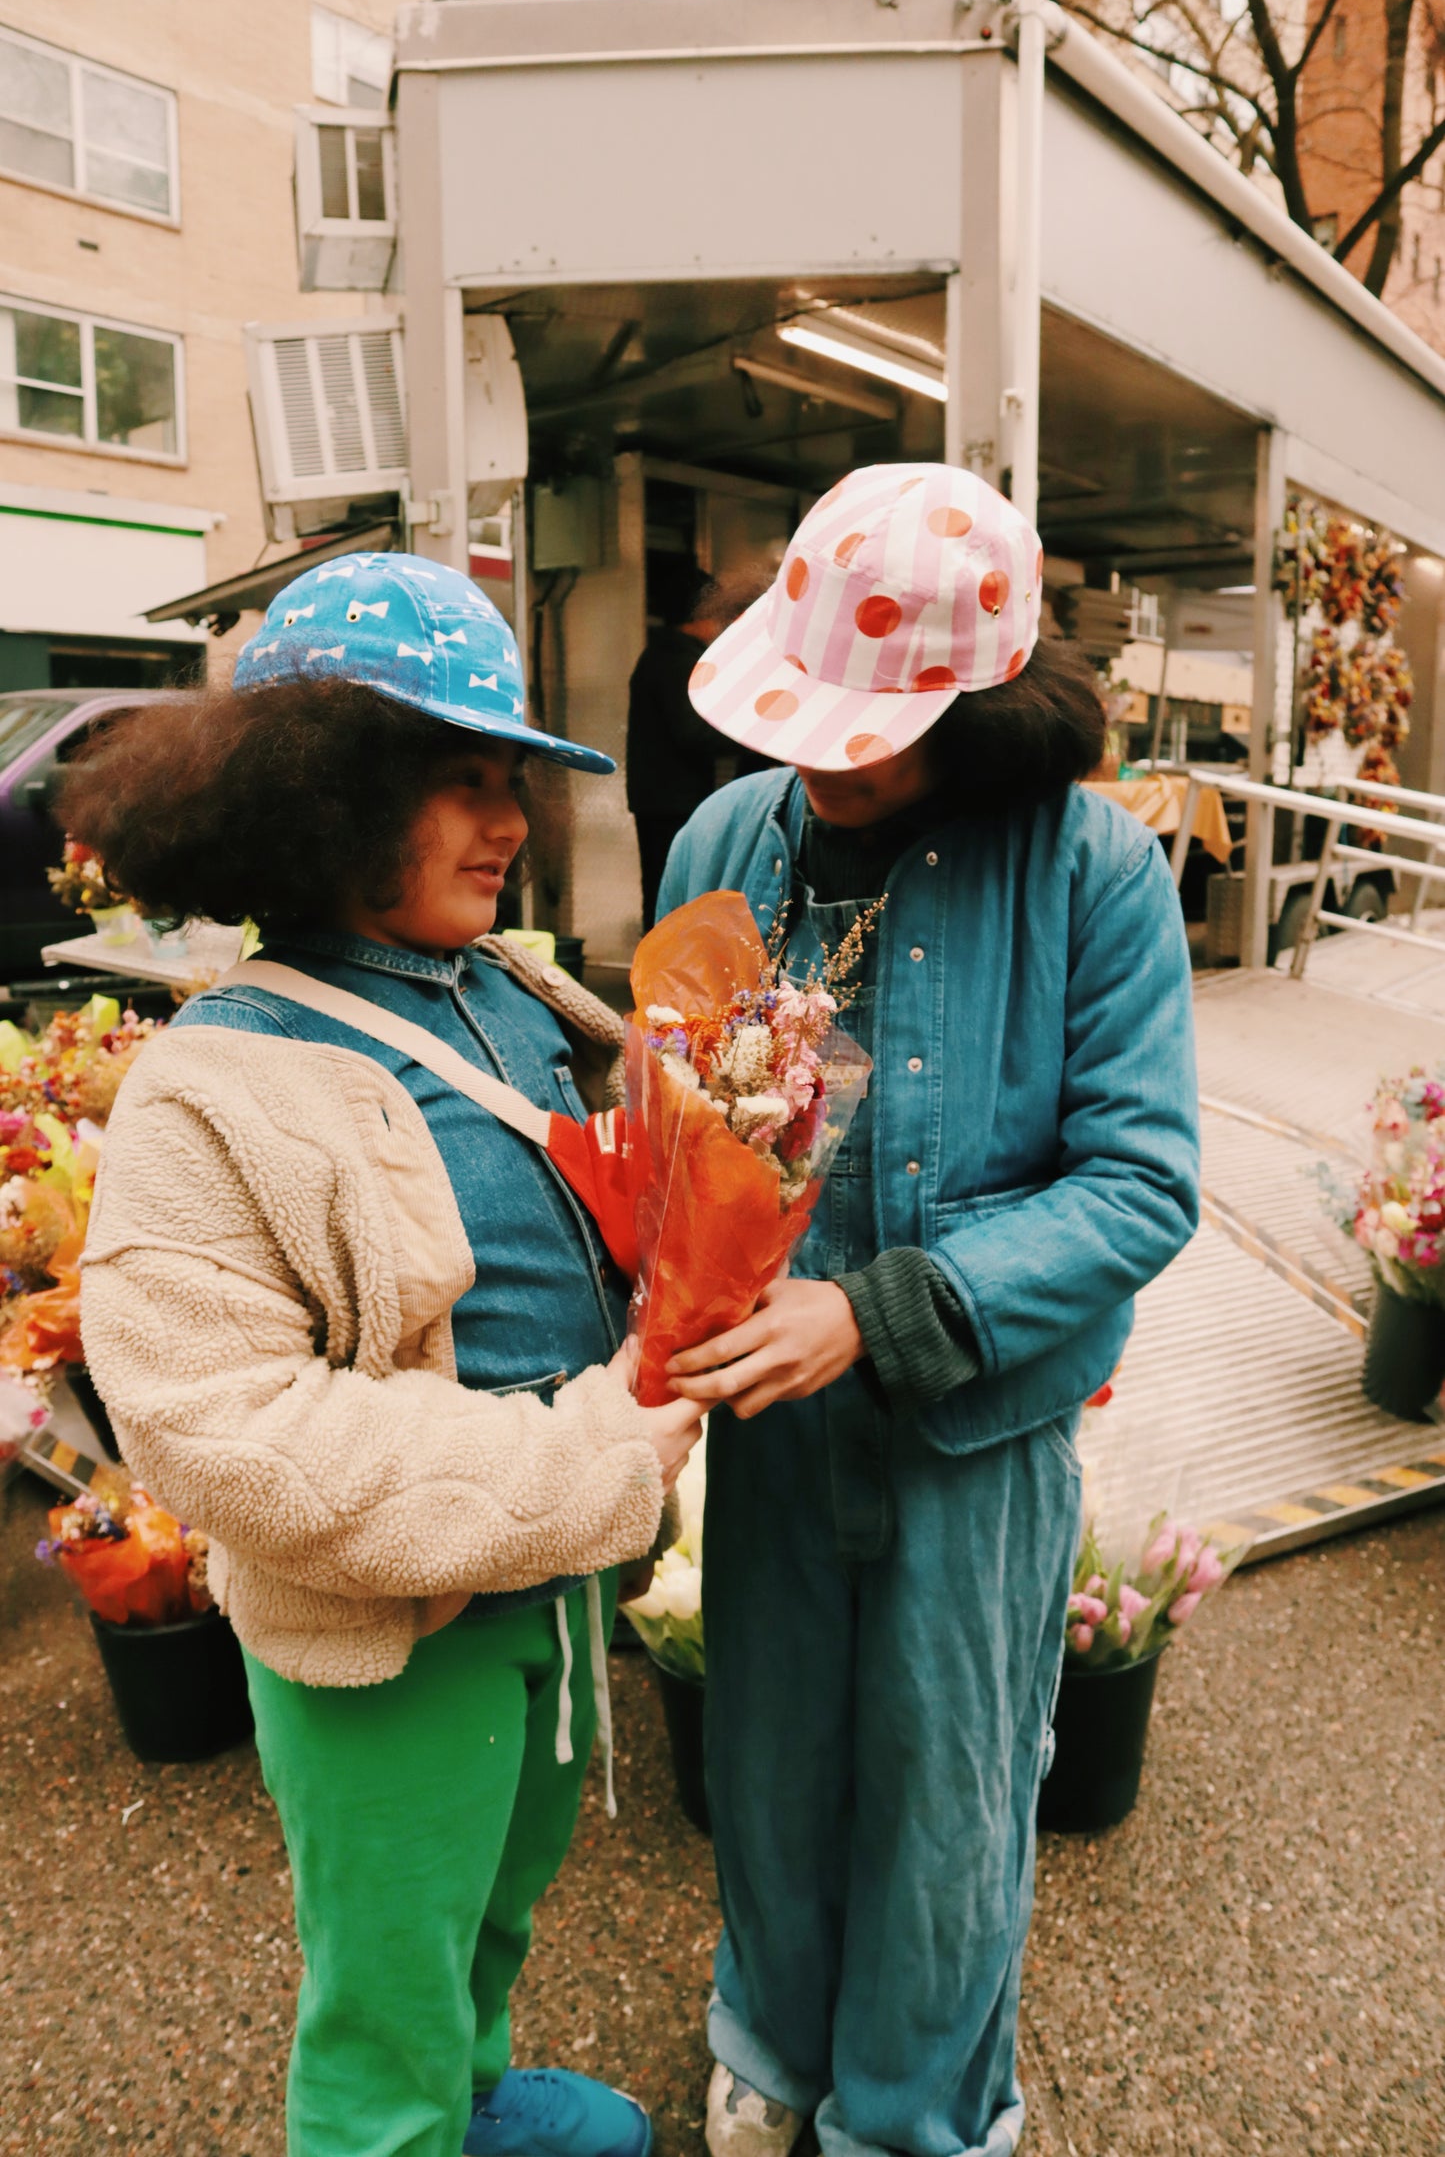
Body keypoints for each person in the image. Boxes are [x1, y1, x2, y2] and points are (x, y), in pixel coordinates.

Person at [68, 551, 704, 2157]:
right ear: (326, 795)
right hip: (386, 1633)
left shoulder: (505, 984)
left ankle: (476, 2102)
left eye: (516, 785)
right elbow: (219, 1431)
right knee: (383, 1997)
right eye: (461, 783)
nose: (510, 823)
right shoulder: (215, 1079)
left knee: (490, 1908)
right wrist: (592, 1453)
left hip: (542, 1585)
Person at [657, 464, 1200, 2157]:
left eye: (872, 725)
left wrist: (884, 1307)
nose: (825, 757)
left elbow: (1142, 1181)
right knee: (766, 1758)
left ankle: (908, 2111)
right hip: (771, 1418)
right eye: (804, 712)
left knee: (952, 1788)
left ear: (983, 696)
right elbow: (691, 1113)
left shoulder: (1094, 869)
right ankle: (772, 2040)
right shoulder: (724, 839)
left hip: (981, 1425)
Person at [625, 563, 733, 930]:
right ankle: (661, 981)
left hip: (658, 799)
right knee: (674, 897)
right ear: (701, 613)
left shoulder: (658, 654)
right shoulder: (680, 660)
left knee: (662, 891)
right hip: (675, 801)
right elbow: (693, 734)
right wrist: (748, 738)